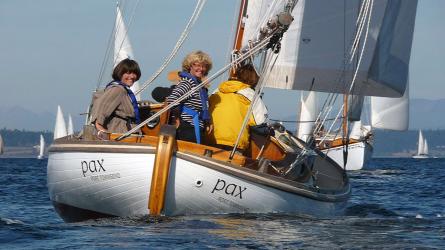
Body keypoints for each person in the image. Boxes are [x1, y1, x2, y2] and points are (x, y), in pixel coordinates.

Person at [207, 63, 268, 152]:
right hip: (234, 143)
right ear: (254, 80)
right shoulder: (251, 95)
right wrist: (269, 132)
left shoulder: (217, 90)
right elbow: (260, 124)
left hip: (211, 138)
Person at [166, 51, 212, 143]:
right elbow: (172, 99)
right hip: (187, 128)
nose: (201, 68)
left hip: (196, 127)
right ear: (190, 66)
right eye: (197, 65)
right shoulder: (188, 82)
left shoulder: (200, 86)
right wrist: (176, 117)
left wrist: (207, 121)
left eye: (203, 66)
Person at [90, 58, 142, 135]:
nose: (132, 76)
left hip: (127, 133)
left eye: (134, 73)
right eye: (128, 73)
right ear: (120, 73)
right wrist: (100, 128)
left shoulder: (125, 91)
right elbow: (101, 106)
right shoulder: (118, 90)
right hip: (119, 134)